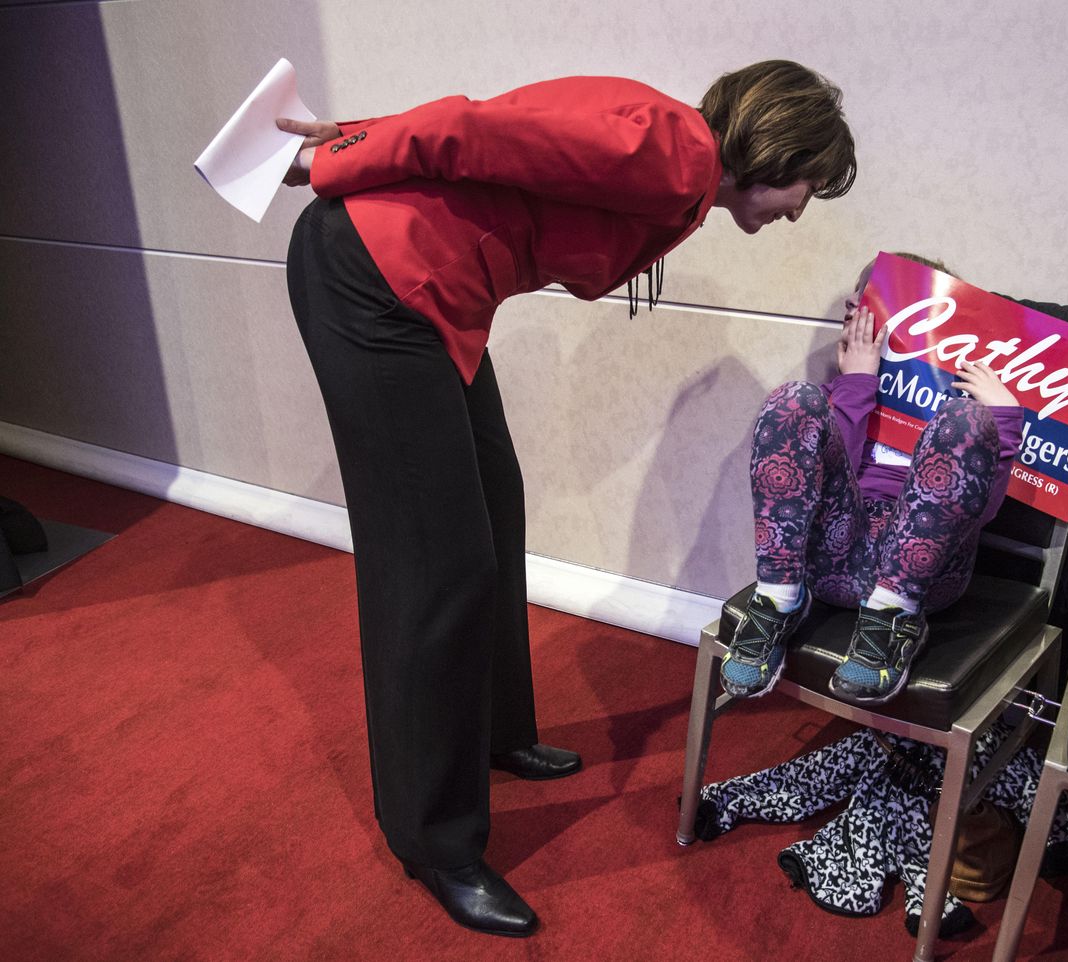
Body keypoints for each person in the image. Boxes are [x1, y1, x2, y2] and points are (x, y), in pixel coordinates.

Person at [279, 61, 857, 937]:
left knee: (495, 509)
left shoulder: (674, 152)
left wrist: (355, 134)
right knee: (436, 569)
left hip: (431, 302)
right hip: (376, 287)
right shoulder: (672, 153)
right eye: (809, 188)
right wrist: (335, 158)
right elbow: (469, 130)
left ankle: (497, 733)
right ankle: (435, 840)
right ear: (781, 147)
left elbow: (491, 129)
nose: (797, 212)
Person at [720, 254, 1024, 705]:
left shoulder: (963, 404)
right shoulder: (841, 393)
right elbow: (815, 483)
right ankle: (778, 599)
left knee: (966, 419)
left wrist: (1002, 418)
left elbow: (985, 511)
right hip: (833, 560)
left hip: (927, 578)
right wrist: (858, 384)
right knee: (793, 399)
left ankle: (892, 618)